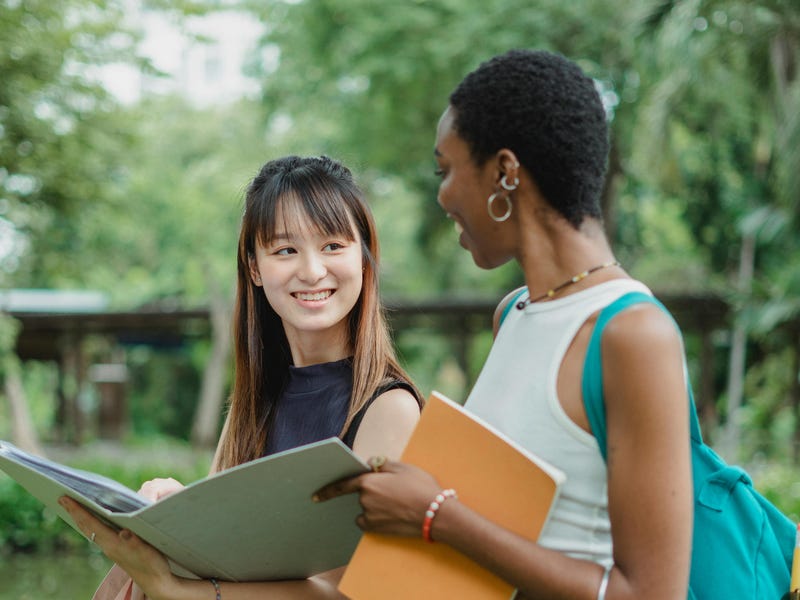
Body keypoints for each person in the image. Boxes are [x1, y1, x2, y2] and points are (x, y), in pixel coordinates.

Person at [314, 49, 693, 599]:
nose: (442, 197)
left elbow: (652, 593)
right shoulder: (514, 314)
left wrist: (437, 516)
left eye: (446, 171)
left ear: (505, 172)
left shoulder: (631, 334)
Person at [61, 155, 423, 600]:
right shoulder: (257, 402)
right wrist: (168, 520)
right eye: (285, 250)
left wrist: (179, 590)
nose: (311, 271)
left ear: (365, 258)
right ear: (254, 267)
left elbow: (353, 593)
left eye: (333, 245)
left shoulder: (390, 408)